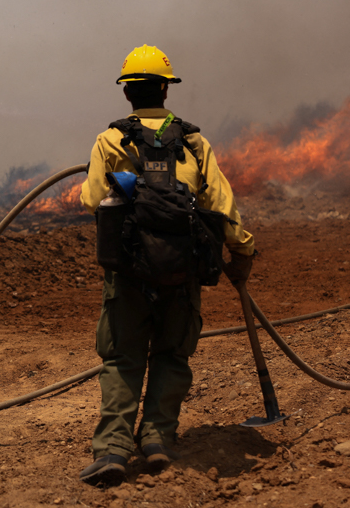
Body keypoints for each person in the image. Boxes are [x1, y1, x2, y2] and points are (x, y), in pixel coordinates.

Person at [78, 45, 256, 486]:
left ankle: (114, 450)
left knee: (122, 358)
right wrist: (242, 252)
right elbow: (222, 206)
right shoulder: (194, 141)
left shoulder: (111, 139)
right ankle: (157, 440)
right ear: (164, 88)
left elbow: (89, 201)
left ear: (127, 95)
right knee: (173, 354)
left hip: (129, 270)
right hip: (183, 269)